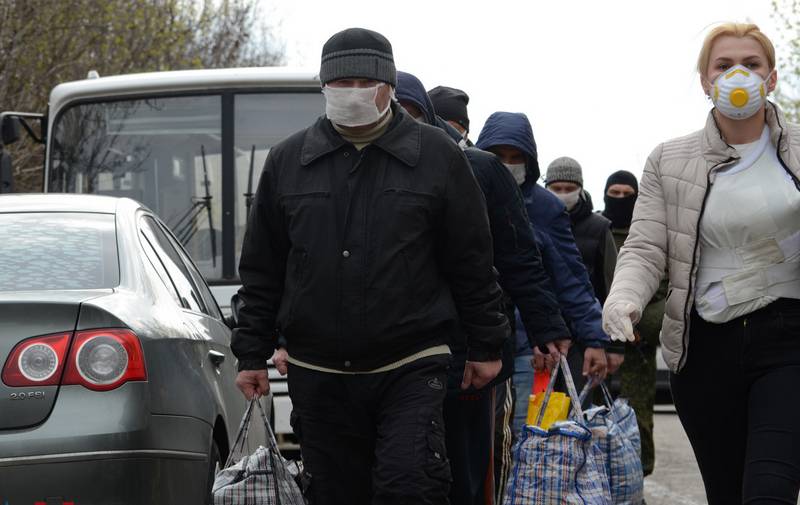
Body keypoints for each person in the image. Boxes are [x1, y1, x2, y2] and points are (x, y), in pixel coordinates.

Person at [232, 28, 509, 505]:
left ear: (388, 86)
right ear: (323, 88)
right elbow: (263, 268)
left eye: (362, 81)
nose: (351, 93)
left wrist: (487, 343)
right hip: (317, 370)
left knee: (410, 485)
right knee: (336, 494)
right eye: (339, 83)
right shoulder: (288, 161)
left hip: (410, 363)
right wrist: (251, 352)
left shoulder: (436, 156)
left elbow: (471, 260)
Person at [603, 23, 800, 504]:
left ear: (771, 78)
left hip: (789, 341)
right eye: (724, 65)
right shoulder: (669, 161)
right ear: (705, 82)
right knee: (728, 493)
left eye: (751, 65)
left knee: (769, 492)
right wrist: (625, 296)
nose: (739, 75)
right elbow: (646, 246)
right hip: (703, 347)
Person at [396, 70, 570, 505]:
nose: (399, 118)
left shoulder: (478, 169)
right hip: (391, 357)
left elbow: (519, 258)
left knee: (469, 471)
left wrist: (546, 327)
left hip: (467, 353)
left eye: (412, 110)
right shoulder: (358, 166)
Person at [475, 112, 615, 435]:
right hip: (463, 347)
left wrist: (594, 338)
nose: (506, 165)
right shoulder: (458, 193)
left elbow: (572, 279)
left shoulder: (545, 208)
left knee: (518, 444)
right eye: (497, 156)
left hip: (527, 351)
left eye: (515, 158)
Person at [602, 170, 666, 478]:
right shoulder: (598, 231)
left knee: (637, 413)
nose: (620, 200)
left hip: (637, 343)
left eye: (627, 194)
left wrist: (643, 324)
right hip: (599, 340)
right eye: (614, 194)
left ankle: (638, 475)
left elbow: (663, 285)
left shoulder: (649, 235)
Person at [545, 157, 617, 304]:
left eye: (570, 189)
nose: (563, 194)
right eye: (557, 189)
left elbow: (611, 278)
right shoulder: (532, 221)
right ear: (546, 189)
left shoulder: (599, 227)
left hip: (587, 313)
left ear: (580, 190)